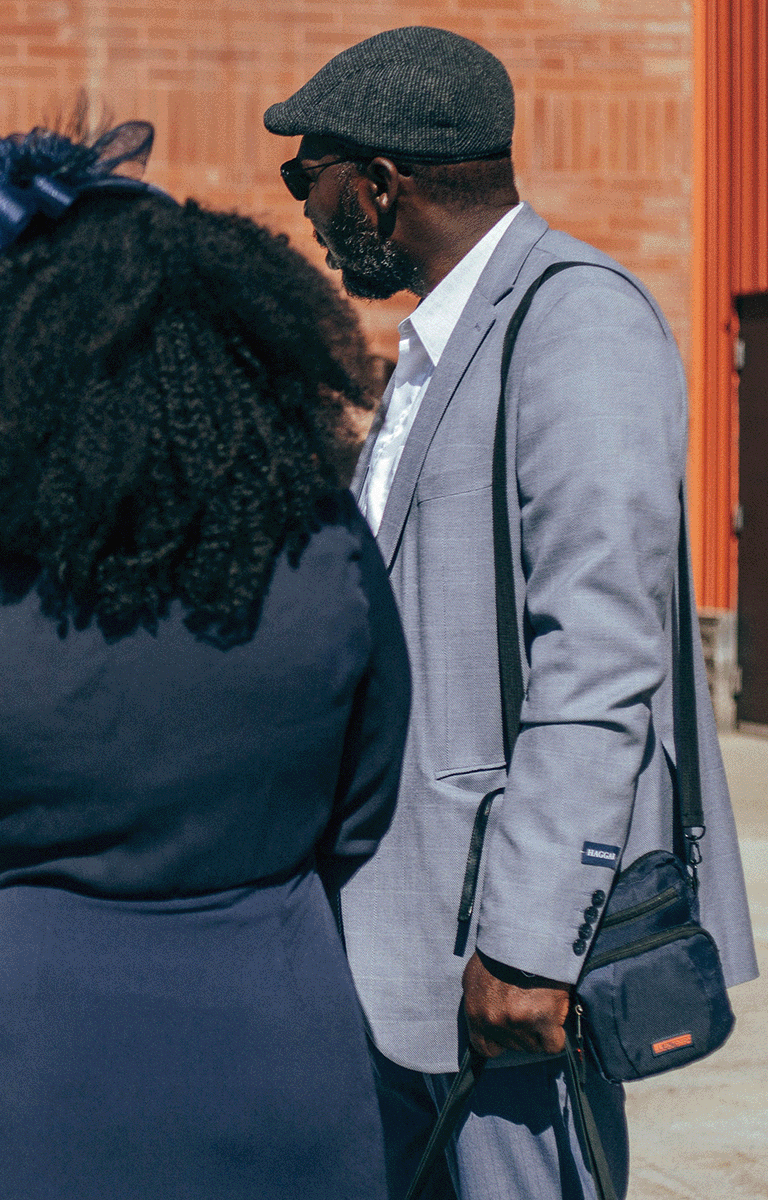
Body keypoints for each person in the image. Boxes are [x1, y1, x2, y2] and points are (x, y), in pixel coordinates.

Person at [0, 120, 409, 1200]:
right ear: (232, 348)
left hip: (37, 1040)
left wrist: (39, 900)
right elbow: (364, 800)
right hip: (277, 1011)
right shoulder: (325, 549)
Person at [265, 26, 758, 1200]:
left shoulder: (574, 321)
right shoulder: (436, 349)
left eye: (309, 177)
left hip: (506, 951)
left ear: (380, 185)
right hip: (400, 942)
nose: (302, 208)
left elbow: (600, 659)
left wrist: (530, 943)